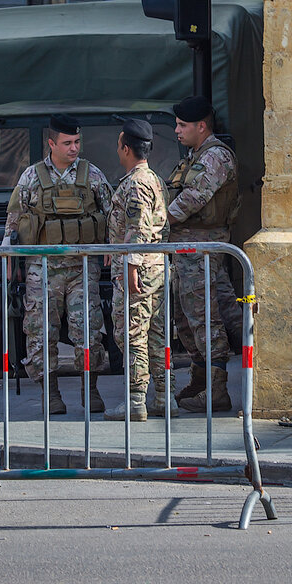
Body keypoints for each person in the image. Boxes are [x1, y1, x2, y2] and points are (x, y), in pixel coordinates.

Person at [3, 113, 112, 415]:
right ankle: (50, 393)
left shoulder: (92, 176)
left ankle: (90, 389)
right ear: (52, 143)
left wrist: (113, 248)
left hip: (82, 267)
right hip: (43, 268)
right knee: (40, 331)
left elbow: (110, 213)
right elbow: (15, 220)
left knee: (88, 330)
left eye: (77, 141)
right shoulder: (32, 177)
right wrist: (11, 261)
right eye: (67, 143)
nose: (74, 148)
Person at [167, 95, 241, 413]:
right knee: (186, 319)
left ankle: (217, 389)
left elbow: (194, 198)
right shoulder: (193, 157)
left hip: (203, 249)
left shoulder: (215, 157)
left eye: (182, 125)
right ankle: (200, 382)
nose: (176, 130)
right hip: (187, 250)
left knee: (204, 319)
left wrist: (159, 220)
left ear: (201, 126)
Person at [103, 118, 176, 422]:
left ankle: (136, 401)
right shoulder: (155, 179)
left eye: (119, 143)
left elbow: (139, 228)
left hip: (139, 269)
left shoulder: (135, 184)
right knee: (156, 333)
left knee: (132, 334)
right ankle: (163, 396)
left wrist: (131, 264)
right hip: (156, 266)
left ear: (126, 148)